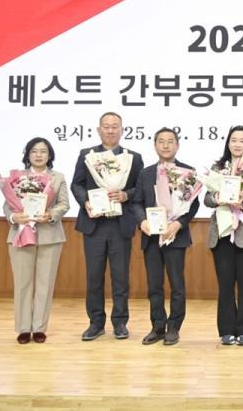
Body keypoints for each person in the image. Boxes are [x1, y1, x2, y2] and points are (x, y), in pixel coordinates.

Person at [71, 112, 144, 341]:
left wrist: (126, 194)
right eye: (106, 126)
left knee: (120, 277)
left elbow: (140, 188)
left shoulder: (134, 158)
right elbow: (76, 184)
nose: (110, 130)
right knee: (94, 277)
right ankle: (96, 323)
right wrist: (86, 201)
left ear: (122, 130)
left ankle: (120, 323)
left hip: (120, 225)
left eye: (115, 126)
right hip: (94, 223)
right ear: (98, 129)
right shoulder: (87, 155)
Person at [131, 127, 199, 346]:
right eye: (161, 141)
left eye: (170, 141)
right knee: (154, 285)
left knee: (177, 284)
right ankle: (158, 326)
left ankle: (174, 327)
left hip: (175, 236)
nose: (166, 145)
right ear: (155, 145)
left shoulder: (187, 171)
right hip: (151, 237)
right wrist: (142, 221)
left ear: (177, 145)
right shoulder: (145, 173)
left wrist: (179, 224)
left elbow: (193, 204)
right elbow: (136, 203)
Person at [204, 126, 243, 346]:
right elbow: (207, 199)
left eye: (242, 140)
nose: (238, 144)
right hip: (222, 231)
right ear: (228, 143)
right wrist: (217, 197)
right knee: (225, 284)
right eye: (234, 140)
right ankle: (226, 330)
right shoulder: (217, 167)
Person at [4, 137, 69, 344]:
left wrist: (50, 215)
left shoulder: (57, 177)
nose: (38, 155)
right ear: (28, 154)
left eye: (43, 151)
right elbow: (7, 206)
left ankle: (39, 327)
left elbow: (64, 204)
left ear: (50, 155)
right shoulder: (17, 177)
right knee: (22, 283)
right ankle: (23, 328)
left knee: (45, 284)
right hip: (21, 234)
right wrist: (15, 217)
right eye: (34, 151)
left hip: (49, 236)